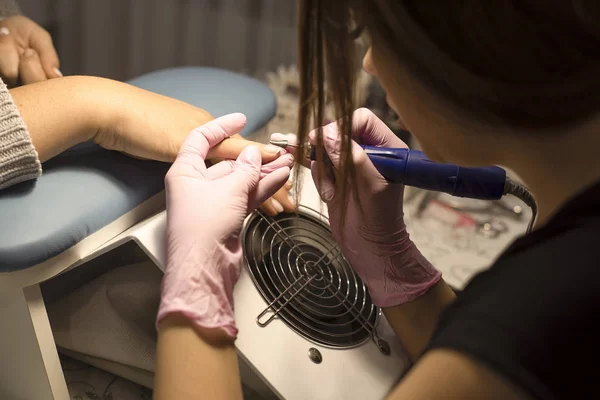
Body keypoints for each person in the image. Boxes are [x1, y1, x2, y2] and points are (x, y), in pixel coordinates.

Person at [153, 1, 600, 399]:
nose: (369, 64)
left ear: (466, 48)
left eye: (375, 35)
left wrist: (197, 287)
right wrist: (393, 262)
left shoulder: (547, 308)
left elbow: (496, 355)